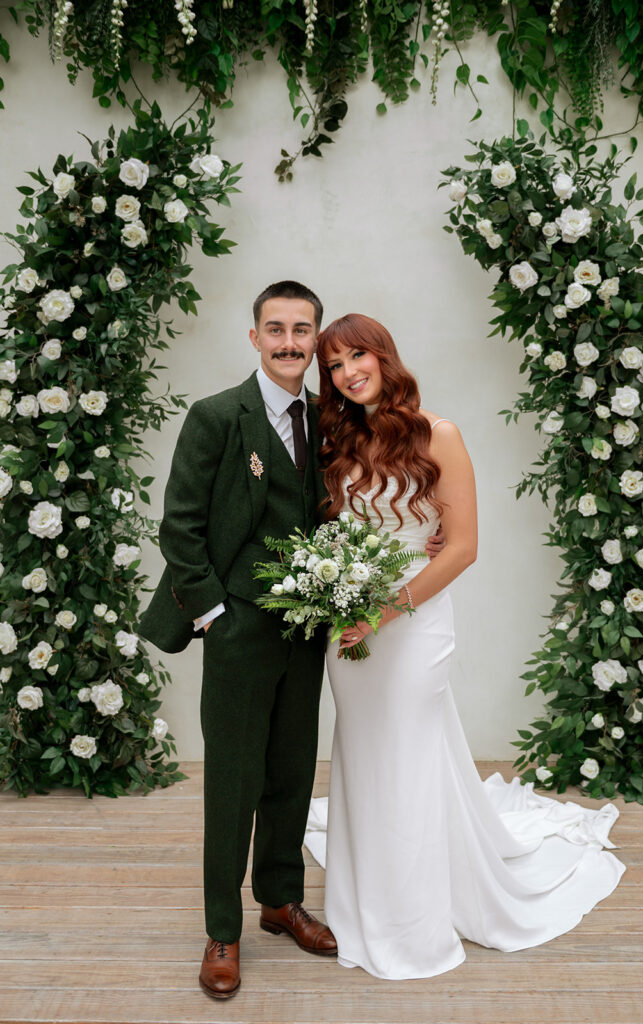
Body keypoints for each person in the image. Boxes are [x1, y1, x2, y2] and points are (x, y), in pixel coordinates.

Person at [138, 283, 444, 998]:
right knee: (233, 782)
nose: (288, 342)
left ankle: (279, 900)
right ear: (254, 338)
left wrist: (418, 519)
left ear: (314, 342)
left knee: (289, 773)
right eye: (274, 328)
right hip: (238, 627)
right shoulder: (217, 416)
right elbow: (179, 525)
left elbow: (356, 500)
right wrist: (214, 615)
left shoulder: (325, 417)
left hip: (309, 632)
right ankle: (223, 928)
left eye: (301, 330)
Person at [305, 312, 625, 981]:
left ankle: (413, 925)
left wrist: (384, 612)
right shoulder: (334, 440)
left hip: (412, 622)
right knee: (367, 757)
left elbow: (465, 548)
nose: (346, 372)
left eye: (356, 356)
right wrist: (335, 598)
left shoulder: (436, 435)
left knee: (410, 758)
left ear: (384, 357)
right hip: (350, 629)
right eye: (333, 365)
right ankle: (368, 900)